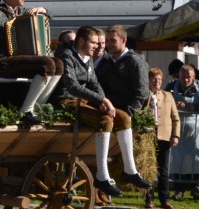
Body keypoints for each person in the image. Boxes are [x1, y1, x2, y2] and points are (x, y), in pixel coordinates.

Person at [53, 25, 152, 197]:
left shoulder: (88, 58)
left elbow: (94, 83)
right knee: (105, 120)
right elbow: (72, 86)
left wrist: (104, 102)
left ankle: (130, 170)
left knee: (123, 117)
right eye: (93, 42)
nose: (98, 46)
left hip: (85, 100)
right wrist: (102, 100)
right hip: (67, 100)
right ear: (81, 41)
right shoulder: (66, 56)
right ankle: (102, 176)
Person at [95, 24, 150, 179]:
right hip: (107, 109)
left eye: (112, 41)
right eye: (107, 41)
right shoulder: (106, 62)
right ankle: (104, 174)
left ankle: (128, 171)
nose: (108, 45)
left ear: (124, 40)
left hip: (124, 111)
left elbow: (142, 91)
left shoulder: (134, 61)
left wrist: (129, 112)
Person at [169, 64, 199, 201]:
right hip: (178, 126)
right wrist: (173, 105)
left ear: (194, 76)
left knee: (197, 157)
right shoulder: (172, 86)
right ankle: (179, 189)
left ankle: (196, 186)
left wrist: (195, 106)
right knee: (178, 157)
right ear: (179, 76)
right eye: (183, 77)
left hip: (198, 127)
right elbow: (163, 100)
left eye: (189, 77)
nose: (186, 80)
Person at [147, 67, 180, 209]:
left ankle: (165, 199)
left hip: (164, 136)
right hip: (148, 136)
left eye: (159, 79)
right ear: (149, 80)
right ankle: (149, 198)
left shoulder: (168, 96)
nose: (157, 82)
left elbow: (175, 118)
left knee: (164, 170)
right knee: (149, 169)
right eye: (154, 79)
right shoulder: (144, 95)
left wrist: (175, 135)